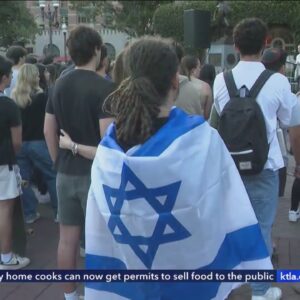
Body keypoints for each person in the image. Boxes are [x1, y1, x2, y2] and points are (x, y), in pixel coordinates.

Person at [85, 36, 272, 300]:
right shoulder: (203, 141)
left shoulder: (107, 154)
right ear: (175, 80)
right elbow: (227, 211)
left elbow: (102, 227)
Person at [213, 18, 297, 300]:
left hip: (229, 168)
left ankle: (224, 287)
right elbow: (289, 119)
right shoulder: (278, 81)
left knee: (229, 227)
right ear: (265, 44)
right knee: (261, 226)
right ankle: (261, 291)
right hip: (266, 166)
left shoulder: (220, 81)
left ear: (235, 46)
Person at [44, 25, 115, 300]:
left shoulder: (58, 84)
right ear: (97, 50)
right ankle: (102, 293)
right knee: (102, 240)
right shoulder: (105, 87)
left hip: (65, 172)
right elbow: (107, 144)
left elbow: (48, 130)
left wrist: (58, 160)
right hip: (95, 175)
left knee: (67, 239)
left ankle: (70, 295)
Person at [11, 63, 58, 224]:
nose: (40, 77)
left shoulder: (13, 98)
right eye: (37, 75)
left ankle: (30, 213)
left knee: (23, 179)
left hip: (20, 143)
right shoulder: (42, 97)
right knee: (52, 176)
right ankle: (59, 212)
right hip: (39, 142)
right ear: (32, 78)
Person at [0, 55, 30, 270]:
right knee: (5, 210)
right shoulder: (8, 105)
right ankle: (7, 257)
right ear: (3, 78)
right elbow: (17, 142)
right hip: (4, 163)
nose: (12, 78)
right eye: (9, 75)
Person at [180, 55, 213, 119]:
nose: (200, 70)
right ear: (193, 70)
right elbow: (207, 115)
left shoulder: (177, 85)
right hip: (197, 124)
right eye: (199, 67)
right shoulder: (205, 87)